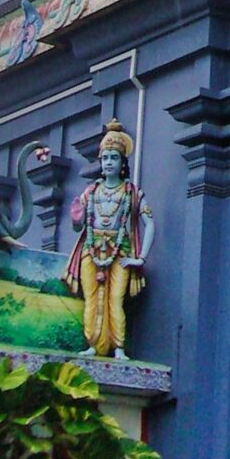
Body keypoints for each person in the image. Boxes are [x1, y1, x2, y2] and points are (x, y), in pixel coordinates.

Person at [66, 121, 154, 360]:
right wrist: (76, 218)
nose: (108, 163)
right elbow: (78, 225)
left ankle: (118, 347)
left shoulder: (131, 193)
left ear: (122, 162)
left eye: (114, 158)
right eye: (105, 158)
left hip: (120, 251)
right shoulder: (92, 192)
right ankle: (93, 344)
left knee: (115, 300)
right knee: (91, 298)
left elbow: (150, 224)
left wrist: (140, 258)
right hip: (91, 249)